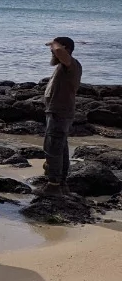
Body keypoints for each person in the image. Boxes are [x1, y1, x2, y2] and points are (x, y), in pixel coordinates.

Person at [42, 36, 82, 195]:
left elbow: (59, 50)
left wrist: (55, 45)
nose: (52, 52)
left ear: (66, 49)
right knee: (61, 148)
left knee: (53, 149)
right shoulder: (65, 66)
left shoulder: (70, 64)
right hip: (59, 111)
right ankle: (62, 184)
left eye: (53, 50)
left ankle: (53, 185)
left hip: (60, 112)